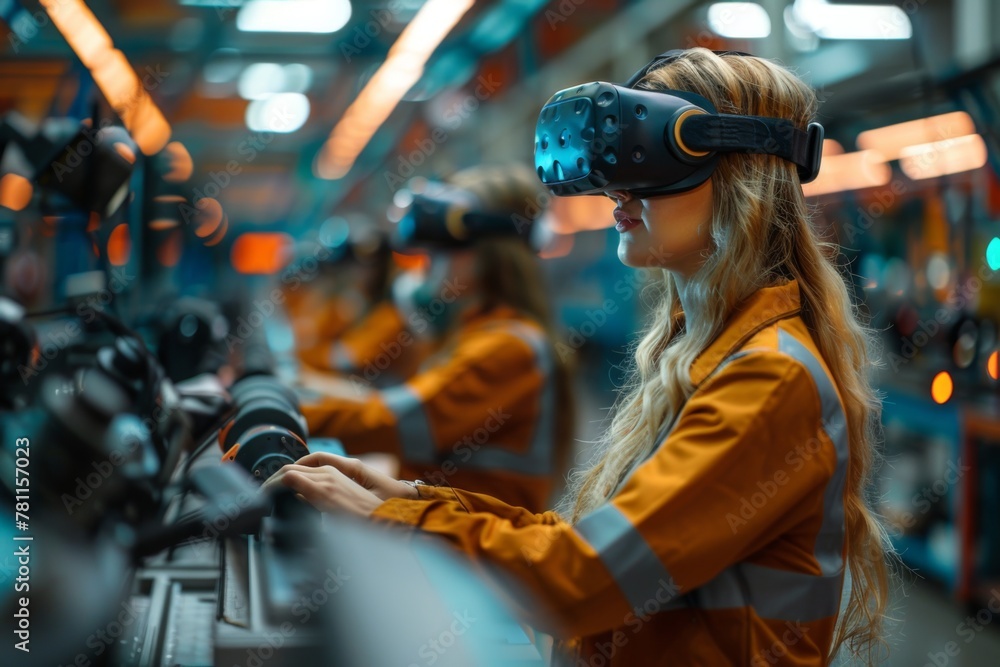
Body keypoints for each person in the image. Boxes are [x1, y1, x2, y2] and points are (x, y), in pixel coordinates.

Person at [266, 49, 892, 665]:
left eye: (646, 157)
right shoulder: (707, 355)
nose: (616, 191)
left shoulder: (769, 376)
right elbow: (593, 550)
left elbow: (583, 582)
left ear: (736, 172)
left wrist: (397, 517)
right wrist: (413, 498)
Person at [298, 164, 575, 513]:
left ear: (488, 254)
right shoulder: (472, 334)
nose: (427, 264)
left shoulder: (509, 347)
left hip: (473, 552)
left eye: (440, 250)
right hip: (445, 534)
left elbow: (392, 421)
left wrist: (288, 409)